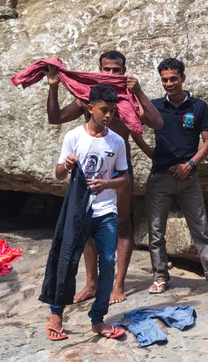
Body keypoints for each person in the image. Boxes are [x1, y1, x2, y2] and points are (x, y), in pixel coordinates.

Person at [46, 51, 163, 304]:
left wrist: (139, 91)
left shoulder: (129, 98)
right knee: (88, 225)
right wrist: (54, 86)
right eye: (106, 69)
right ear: (98, 70)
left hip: (118, 170)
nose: (111, 74)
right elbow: (55, 118)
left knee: (121, 224)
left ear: (124, 72)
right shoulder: (89, 98)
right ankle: (91, 284)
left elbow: (157, 123)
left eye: (116, 70)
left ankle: (118, 285)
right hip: (88, 173)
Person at [146, 58, 208, 294]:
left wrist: (190, 164)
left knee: (201, 228)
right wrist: (150, 152)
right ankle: (160, 277)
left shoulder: (198, 107)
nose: (169, 83)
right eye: (165, 80)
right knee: (156, 230)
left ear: (183, 78)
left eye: (173, 79)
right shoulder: (155, 105)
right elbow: (134, 126)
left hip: (188, 178)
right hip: (160, 177)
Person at [44, 84, 128, 340]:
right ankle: (56, 315)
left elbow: (124, 178)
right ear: (90, 108)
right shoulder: (74, 137)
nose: (108, 116)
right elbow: (59, 174)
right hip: (78, 210)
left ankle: (98, 319)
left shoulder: (117, 141)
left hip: (105, 210)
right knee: (67, 259)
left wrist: (107, 184)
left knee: (108, 262)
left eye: (112, 111)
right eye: (104, 110)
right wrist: (67, 166)